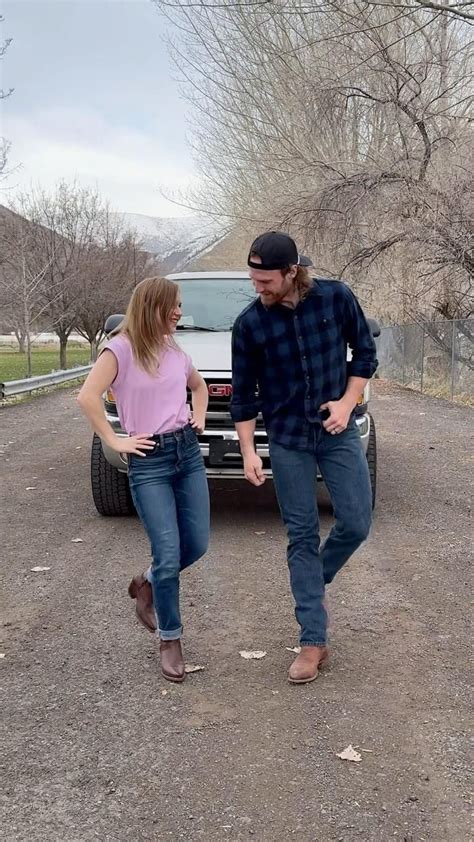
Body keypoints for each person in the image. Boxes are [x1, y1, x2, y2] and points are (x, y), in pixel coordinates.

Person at [230, 232, 378, 684]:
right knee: (301, 535)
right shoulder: (249, 324)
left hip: (336, 431)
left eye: (265, 280)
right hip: (288, 439)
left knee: (356, 522)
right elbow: (243, 396)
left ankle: (313, 580)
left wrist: (347, 403)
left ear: (291, 272)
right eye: (253, 279)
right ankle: (312, 639)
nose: (258, 287)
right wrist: (248, 451)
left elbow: (365, 354)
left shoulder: (336, 298)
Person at [78, 276, 209, 683]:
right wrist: (114, 439)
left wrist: (199, 416)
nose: (179, 312)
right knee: (168, 554)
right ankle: (170, 639)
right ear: (152, 306)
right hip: (149, 461)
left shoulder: (174, 349)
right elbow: (87, 396)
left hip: (187, 453)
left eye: (180, 305)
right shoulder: (119, 349)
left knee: (197, 544)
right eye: (173, 305)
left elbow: (199, 386)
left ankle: (146, 582)